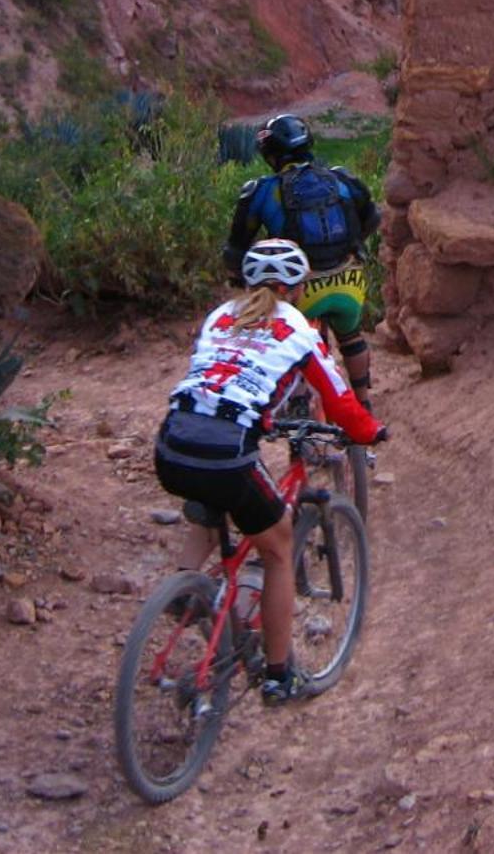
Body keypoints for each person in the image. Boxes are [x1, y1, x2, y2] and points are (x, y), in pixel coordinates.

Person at [153, 238, 385, 704]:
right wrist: (369, 431)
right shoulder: (299, 329)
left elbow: (221, 375)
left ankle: (185, 586)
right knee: (277, 547)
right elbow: (339, 400)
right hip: (230, 451)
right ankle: (280, 676)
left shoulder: (220, 316)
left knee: (213, 495)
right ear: (298, 289)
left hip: (172, 441)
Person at [224, 114, 383, 411]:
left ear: (270, 154)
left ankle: (300, 414)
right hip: (349, 284)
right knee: (350, 336)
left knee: (294, 345)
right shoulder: (343, 179)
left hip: (300, 289)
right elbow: (372, 218)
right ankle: (363, 402)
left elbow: (236, 249)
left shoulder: (262, 190)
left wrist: (239, 278)